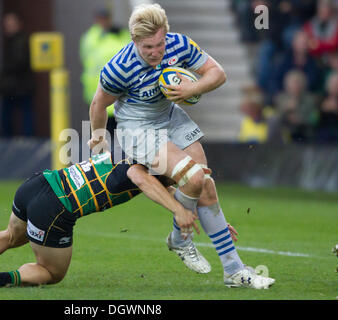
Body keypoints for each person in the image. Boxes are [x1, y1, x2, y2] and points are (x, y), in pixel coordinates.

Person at [88, 3, 275, 289]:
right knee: (194, 177)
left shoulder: (179, 45)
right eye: (148, 46)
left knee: (206, 186)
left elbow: (217, 73)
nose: (156, 51)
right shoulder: (119, 67)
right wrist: (99, 137)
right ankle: (180, 238)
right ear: (135, 41)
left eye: (160, 43)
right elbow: (99, 103)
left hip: (170, 116)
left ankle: (233, 271)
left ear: (167, 35)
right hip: (138, 127)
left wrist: (193, 88)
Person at [0, 151, 231, 288]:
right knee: (51, 273)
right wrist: (179, 211)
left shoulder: (137, 151)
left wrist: (210, 222)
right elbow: (139, 177)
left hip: (38, 184)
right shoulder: (141, 169)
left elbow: (176, 196)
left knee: (12, 236)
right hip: (56, 209)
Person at [80, 8, 130, 136]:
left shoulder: (120, 35)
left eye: (105, 18)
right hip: (99, 93)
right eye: (101, 18)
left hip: (119, 95)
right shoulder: (92, 38)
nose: (103, 21)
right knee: (103, 137)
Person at [0, 12, 35, 137]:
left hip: (17, 86)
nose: (8, 27)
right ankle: (16, 136)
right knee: (21, 113)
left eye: (11, 24)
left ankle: (11, 137)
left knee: (18, 114)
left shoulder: (20, 41)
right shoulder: (13, 41)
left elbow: (18, 63)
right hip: (17, 86)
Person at [269, 70, 320, 143]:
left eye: (298, 83)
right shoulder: (280, 98)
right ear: (287, 85)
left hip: (304, 133)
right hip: (285, 133)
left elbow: (314, 119)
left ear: (303, 85)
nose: (295, 86)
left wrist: (300, 120)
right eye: (293, 83)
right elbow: (277, 118)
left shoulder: (310, 99)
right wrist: (286, 109)